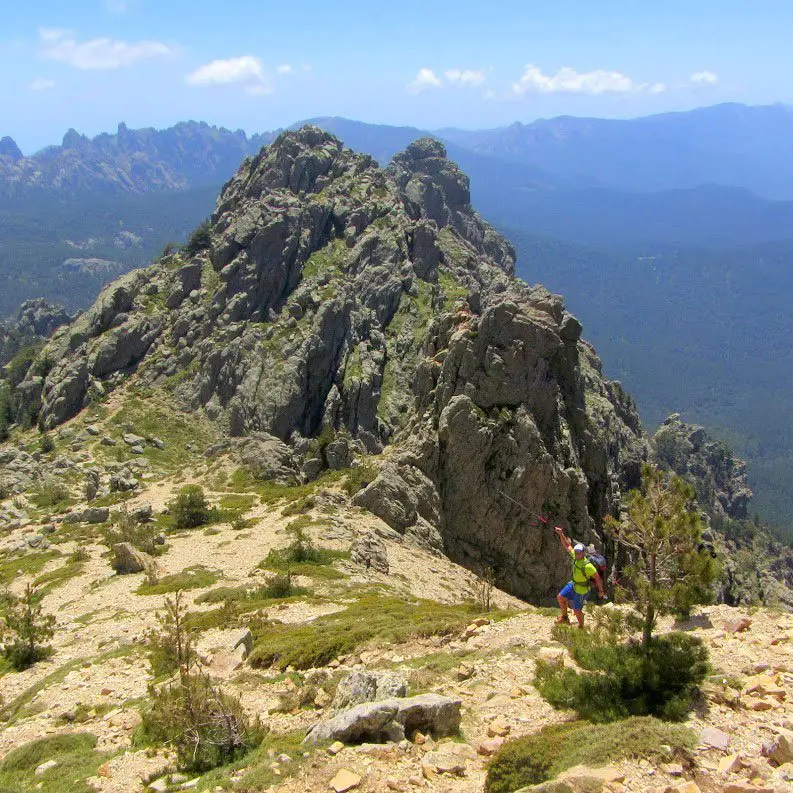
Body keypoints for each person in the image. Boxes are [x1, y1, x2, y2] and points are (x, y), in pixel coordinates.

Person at [554, 526, 605, 628]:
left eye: (579, 552)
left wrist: (601, 591)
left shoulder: (588, 566)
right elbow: (567, 545)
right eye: (576, 552)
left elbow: (597, 578)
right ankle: (565, 618)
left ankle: (581, 627)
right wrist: (561, 534)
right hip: (574, 584)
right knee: (560, 597)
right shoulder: (575, 556)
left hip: (582, 590)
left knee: (577, 610)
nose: (576, 554)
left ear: (583, 553)